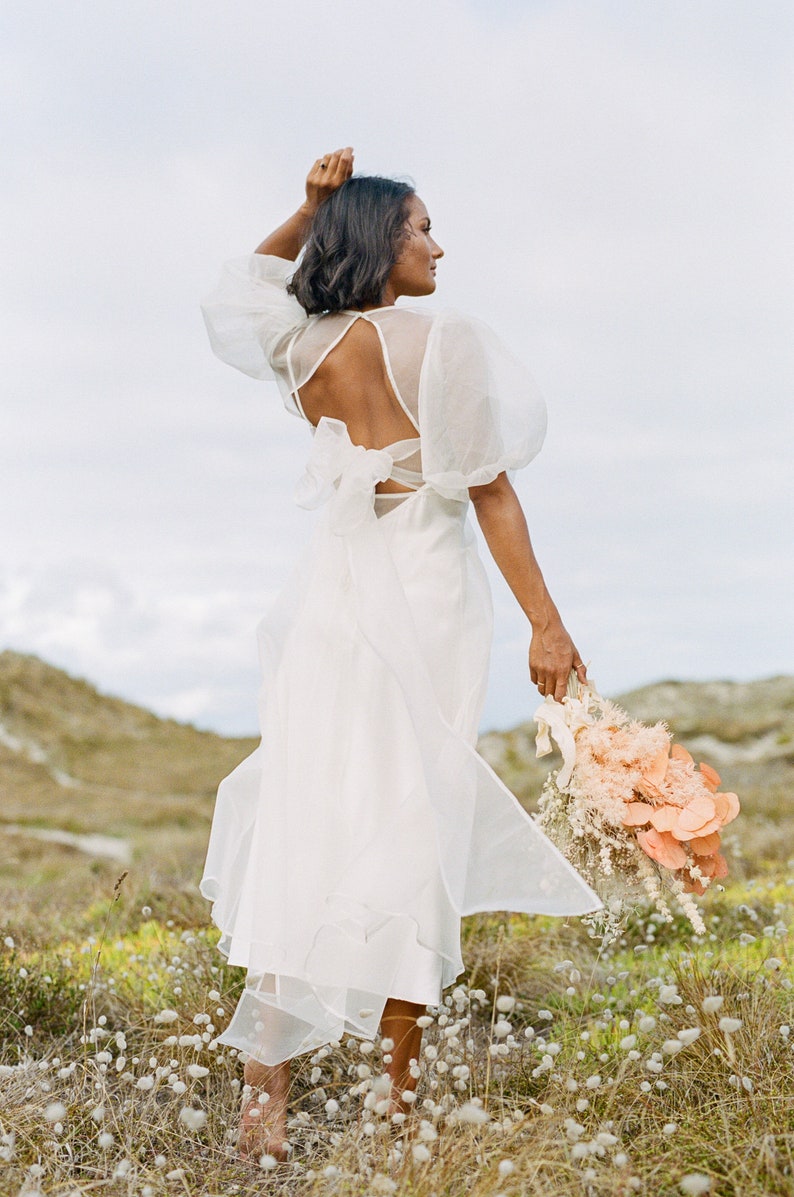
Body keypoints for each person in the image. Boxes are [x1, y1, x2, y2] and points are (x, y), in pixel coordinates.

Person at [199, 147, 601, 1161]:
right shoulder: (441, 339)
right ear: (383, 241)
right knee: (409, 827)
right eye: (421, 227)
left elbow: (243, 293)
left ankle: (265, 1115)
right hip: (421, 605)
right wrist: (545, 626)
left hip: (328, 609)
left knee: (305, 821)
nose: (436, 245)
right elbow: (490, 489)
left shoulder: (305, 352)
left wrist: (303, 211)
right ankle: (399, 1106)